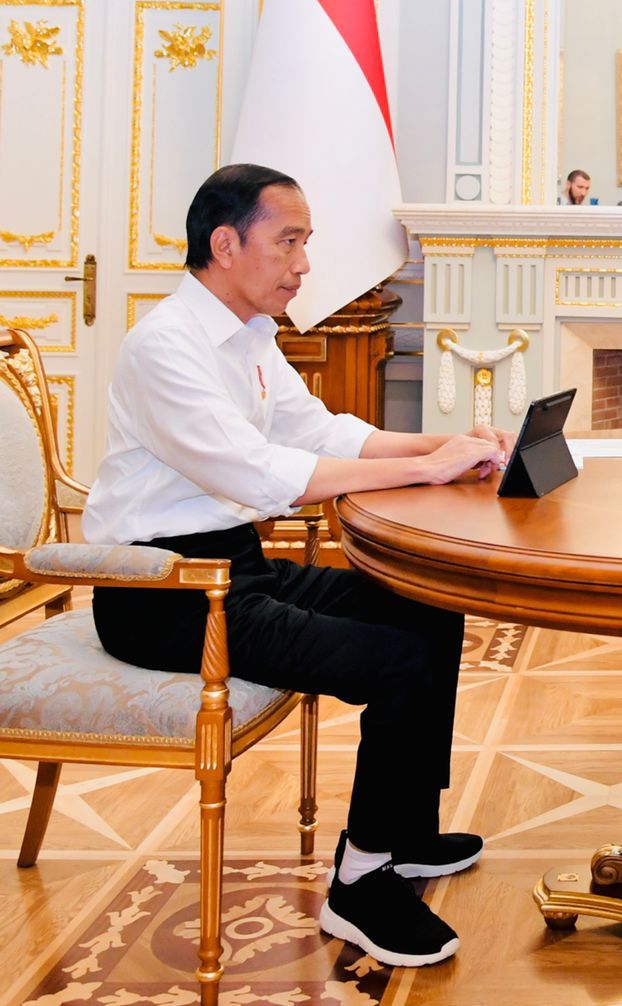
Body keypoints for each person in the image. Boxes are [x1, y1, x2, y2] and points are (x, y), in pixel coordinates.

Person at [83, 164, 516, 968]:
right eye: (288, 241)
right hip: (165, 591)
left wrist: (443, 446)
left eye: (305, 243)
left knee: (426, 603)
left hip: (233, 567)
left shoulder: (247, 336)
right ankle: (359, 886)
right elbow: (258, 475)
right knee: (395, 661)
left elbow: (324, 432)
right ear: (225, 243)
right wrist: (425, 470)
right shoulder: (164, 347)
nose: (304, 264)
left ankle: (404, 834)